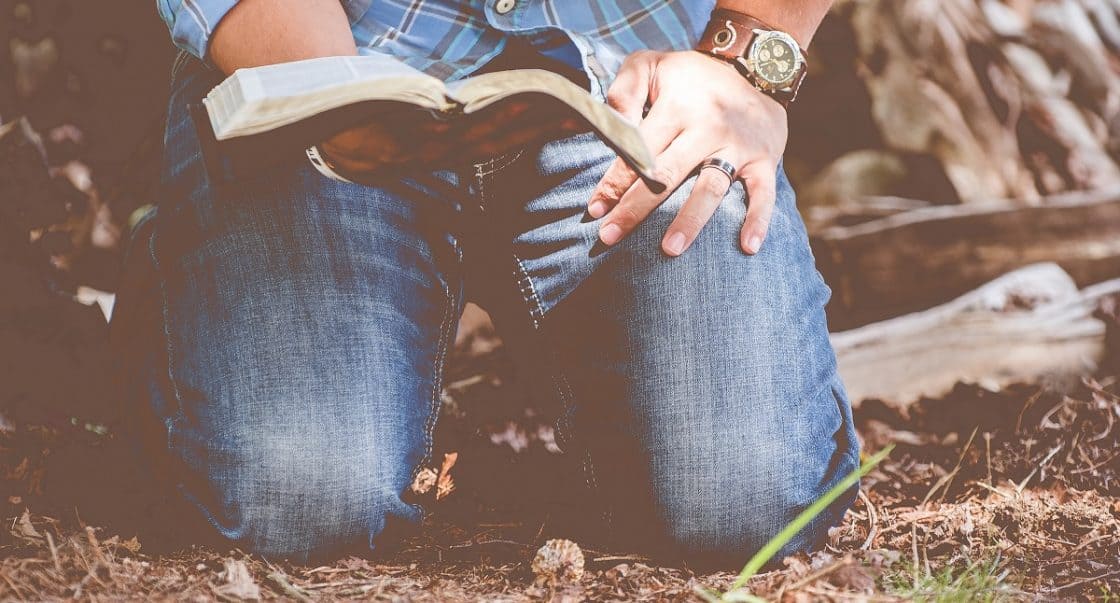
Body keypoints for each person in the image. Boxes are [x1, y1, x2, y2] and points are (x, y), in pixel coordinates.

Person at [117, 0, 858, 564]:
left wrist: (747, 57)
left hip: (636, 88)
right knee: (301, 498)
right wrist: (317, 79)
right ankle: (181, 282)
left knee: (751, 502)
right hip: (325, 61)